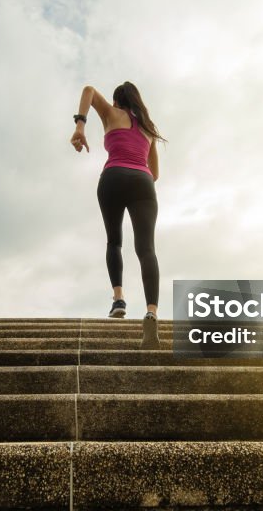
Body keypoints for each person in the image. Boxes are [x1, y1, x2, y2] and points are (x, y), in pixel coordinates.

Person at [70, 81, 166, 349]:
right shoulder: (149, 129)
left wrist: (80, 125)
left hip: (112, 177)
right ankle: (152, 312)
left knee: (114, 241)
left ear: (116, 101)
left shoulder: (112, 114)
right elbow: (155, 173)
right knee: (147, 250)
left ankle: (119, 299)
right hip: (143, 182)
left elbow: (88, 90)